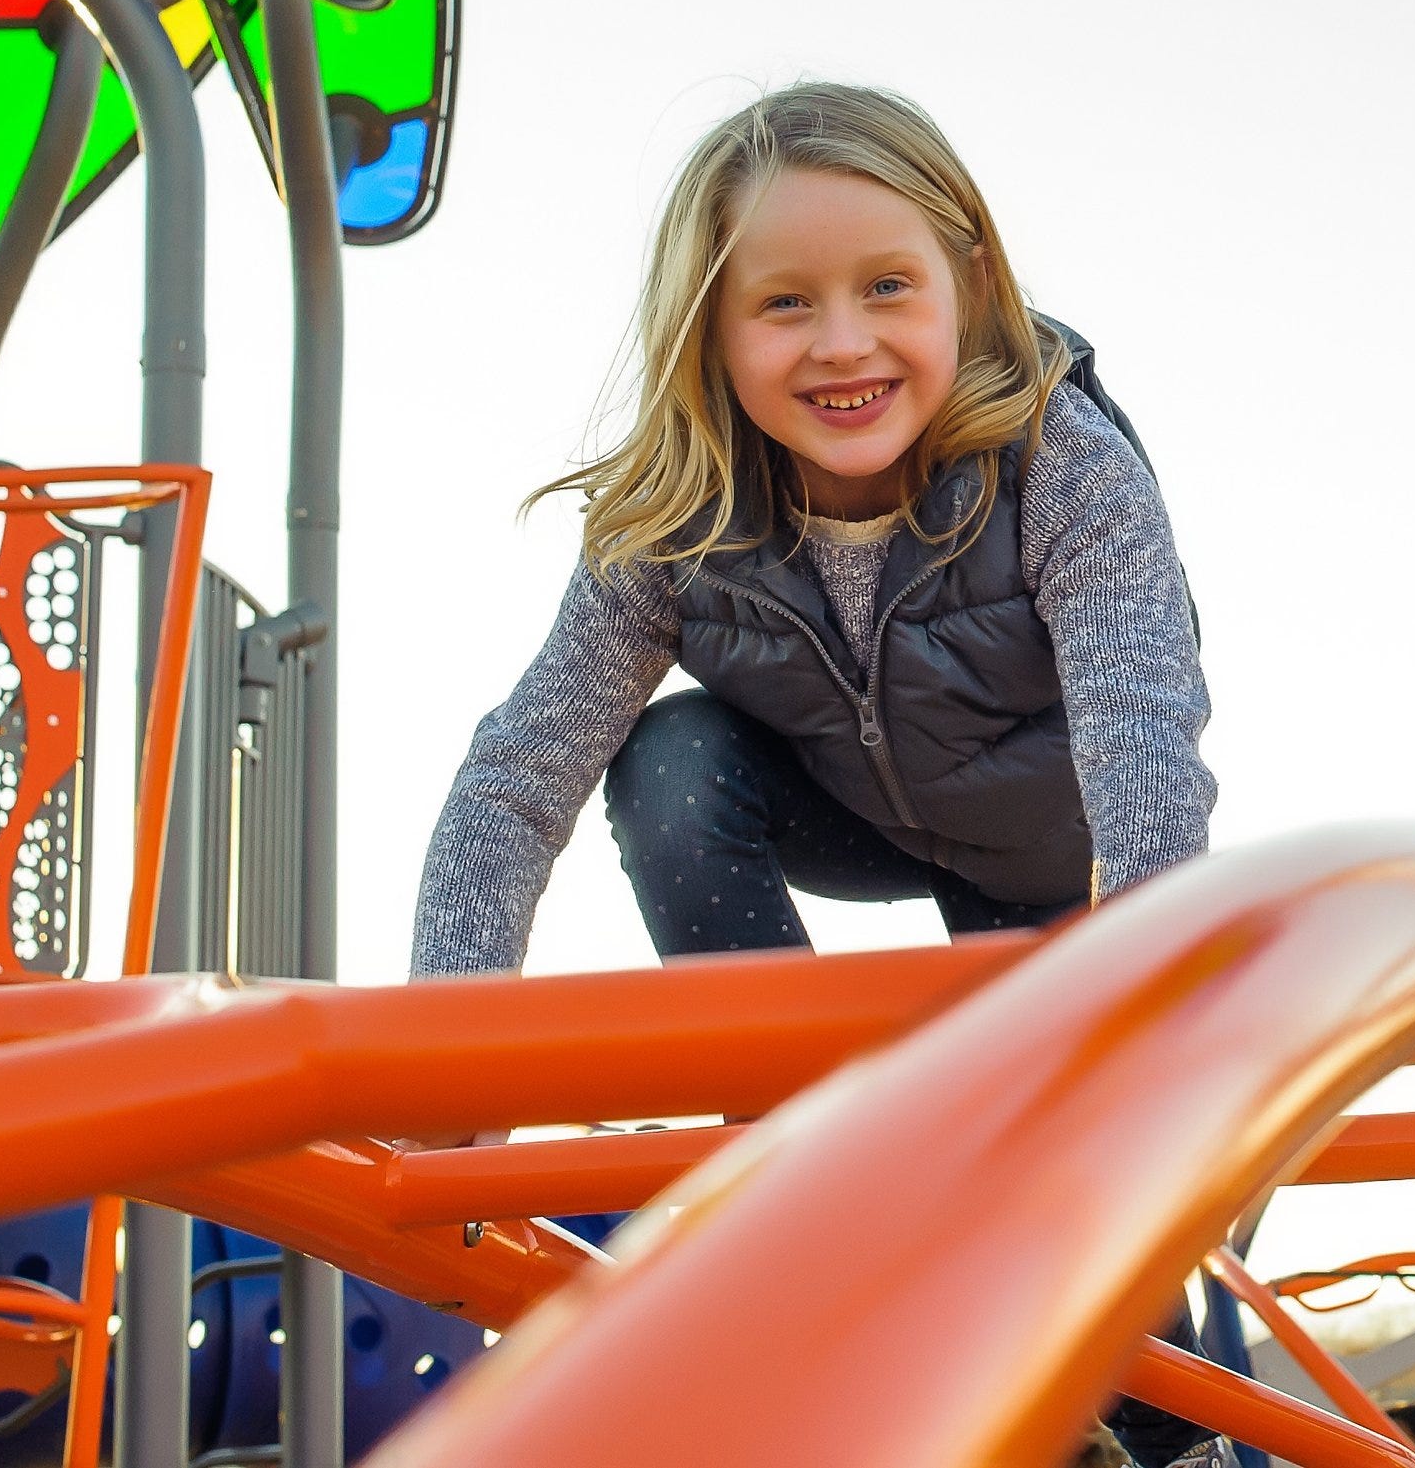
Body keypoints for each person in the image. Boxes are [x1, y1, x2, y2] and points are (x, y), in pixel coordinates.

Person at [409, 81, 1217, 1463]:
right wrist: (446, 1059)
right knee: (670, 753)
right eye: (784, 303)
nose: (844, 344)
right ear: (712, 331)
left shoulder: (1059, 464)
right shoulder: (675, 516)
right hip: (843, 813)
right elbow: (515, 779)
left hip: (1049, 852)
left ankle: (1168, 1423)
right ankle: (804, 1142)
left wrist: (1141, 1018)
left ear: (968, 279)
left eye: (887, 286)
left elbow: (1145, 733)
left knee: (1081, 1190)